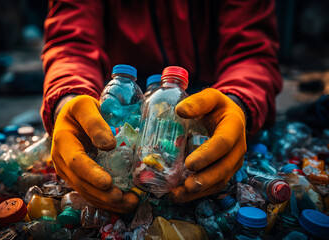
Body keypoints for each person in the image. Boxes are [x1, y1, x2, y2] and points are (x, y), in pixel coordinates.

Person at [41, 0, 282, 214]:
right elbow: (70, 43)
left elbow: (253, 51)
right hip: (119, 101)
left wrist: (238, 103)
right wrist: (67, 101)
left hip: (206, 103)